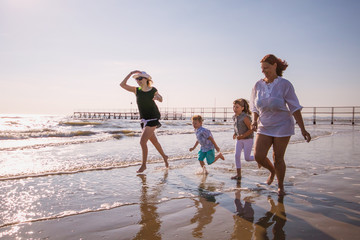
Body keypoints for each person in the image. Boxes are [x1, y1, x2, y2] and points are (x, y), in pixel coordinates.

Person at [250, 54, 311, 196]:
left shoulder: (285, 84)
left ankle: (280, 186)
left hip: (282, 125)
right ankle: (272, 172)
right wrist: (254, 121)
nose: (263, 71)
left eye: (266, 67)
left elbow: (295, 107)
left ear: (275, 66)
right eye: (262, 68)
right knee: (258, 155)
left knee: (278, 158)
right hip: (264, 125)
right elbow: (253, 106)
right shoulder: (257, 85)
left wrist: (303, 129)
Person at [120, 70, 169, 173]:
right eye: (137, 79)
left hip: (153, 118)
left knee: (142, 141)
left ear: (146, 79)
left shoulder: (152, 90)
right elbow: (122, 84)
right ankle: (165, 157)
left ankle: (143, 165)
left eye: (140, 78)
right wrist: (130, 73)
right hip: (144, 120)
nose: (138, 80)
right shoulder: (136, 90)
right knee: (154, 142)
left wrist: (157, 97)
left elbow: (161, 98)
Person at [231, 98, 256, 180]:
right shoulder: (234, 117)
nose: (235, 109)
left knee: (247, 158)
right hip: (239, 140)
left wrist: (242, 136)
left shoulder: (245, 117)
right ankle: (238, 174)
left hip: (248, 139)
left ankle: (260, 158)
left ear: (242, 108)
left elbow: (251, 129)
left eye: (237, 107)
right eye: (234, 107)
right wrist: (235, 134)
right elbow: (236, 127)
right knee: (237, 156)